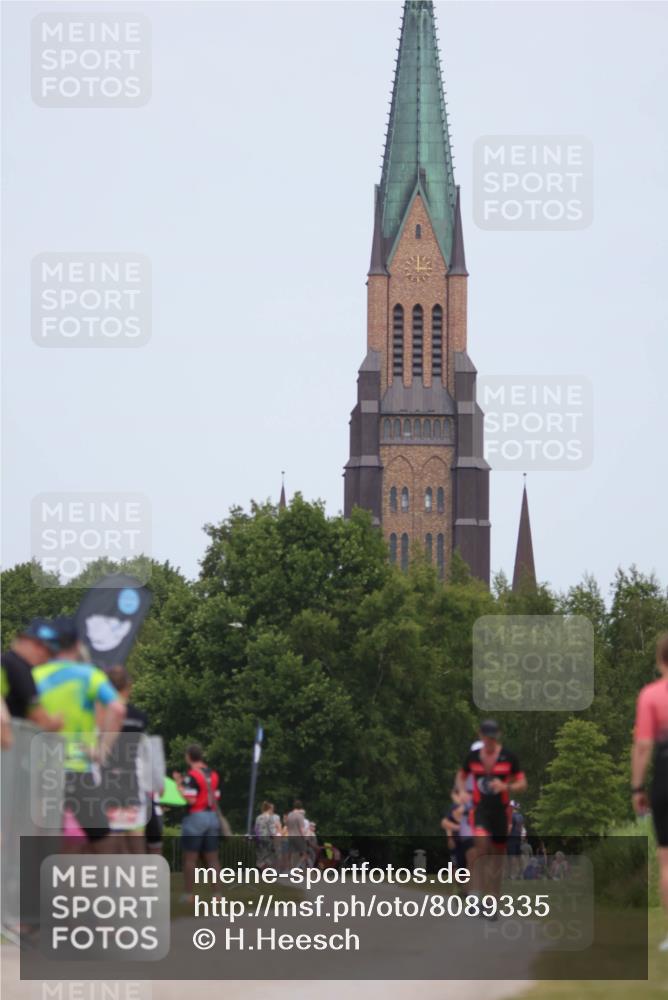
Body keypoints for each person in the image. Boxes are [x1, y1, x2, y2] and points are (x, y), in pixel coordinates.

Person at [32, 617, 126, 851]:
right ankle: (105, 887)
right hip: (77, 767)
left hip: (42, 770)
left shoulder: (36, 675)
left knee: (46, 837)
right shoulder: (89, 675)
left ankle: (42, 885)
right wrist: (101, 750)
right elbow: (118, 709)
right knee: (102, 838)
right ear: (76, 644)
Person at [457, 720, 527, 907]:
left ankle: (482, 894)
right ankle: (471, 892)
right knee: (473, 853)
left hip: (491, 815)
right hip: (471, 815)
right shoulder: (472, 768)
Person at [632, 632, 668, 952]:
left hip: (665, 777)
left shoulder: (652, 695)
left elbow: (643, 745)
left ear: (660, 661)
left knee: (667, 860)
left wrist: (637, 787)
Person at [106, 665, 151, 854]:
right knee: (135, 831)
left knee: (113, 833)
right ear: (128, 686)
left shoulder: (102, 714)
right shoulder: (139, 717)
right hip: (131, 779)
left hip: (107, 778)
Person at [173, 744, 221, 902]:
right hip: (212, 816)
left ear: (188, 756)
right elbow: (216, 796)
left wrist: (179, 785)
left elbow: (191, 799)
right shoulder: (213, 774)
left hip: (196, 817)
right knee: (212, 858)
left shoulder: (192, 775)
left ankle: (189, 894)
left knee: (190, 858)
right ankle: (217, 894)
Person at [1, 619, 64, 731]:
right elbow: (39, 719)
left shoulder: (8, 662)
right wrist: (55, 722)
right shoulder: (18, 668)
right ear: (25, 641)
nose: (45, 657)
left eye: (50, 653)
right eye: (44, 649)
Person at [254, 801, 281, 870]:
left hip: (260, 838)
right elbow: (271, 829)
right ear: (269, 809)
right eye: (271, 809)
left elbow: (256, 828)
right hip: (267, 838)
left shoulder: (258, 817)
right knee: (269, 855)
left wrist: (257, 837)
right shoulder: (269, 817)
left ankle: (260, 866)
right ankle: (262, 868)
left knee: (261, 854)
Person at [286, 799, 309, 870]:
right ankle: (297, 867)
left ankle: (290, 868)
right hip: (298, 836)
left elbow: (287, 825)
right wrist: (305, 838)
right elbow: (301, 829)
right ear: (300, 807)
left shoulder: (289, 815)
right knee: (304, 854)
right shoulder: (299, 816)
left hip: (290, 836)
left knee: (290, 853)